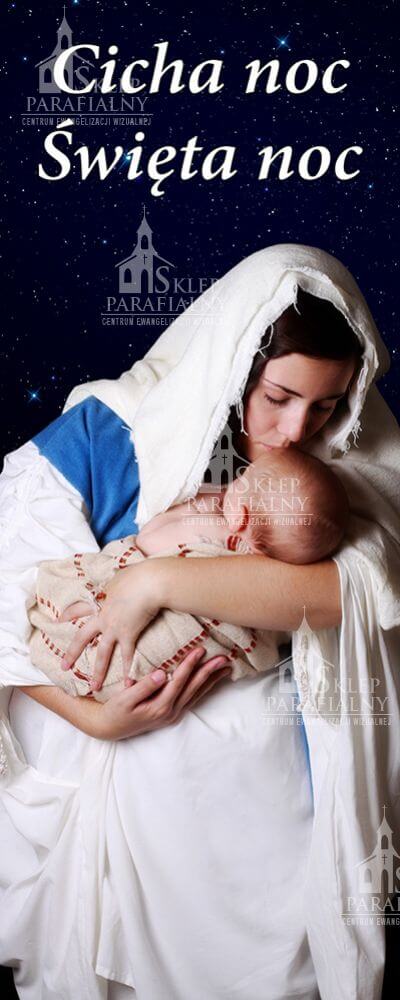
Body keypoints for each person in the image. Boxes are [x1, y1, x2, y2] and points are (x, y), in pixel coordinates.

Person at [0, 247, 399, 1000]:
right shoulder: (114, 430)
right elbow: (6, 604)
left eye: (324, 405)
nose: (295, 429)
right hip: (111, 732)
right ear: (235, 363)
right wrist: (96, 717)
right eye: (278, 396)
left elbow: (353, 594)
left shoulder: (347, 458)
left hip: (267, 780)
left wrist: (157, 580)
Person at [27, 447, 349, 700]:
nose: (229, 485)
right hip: (142, 678)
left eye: (240, 482)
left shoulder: (213, 534)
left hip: (139, 628)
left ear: (240, 516)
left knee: (74, 598)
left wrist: (202, 504)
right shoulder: (267, 579)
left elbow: (149, 538)